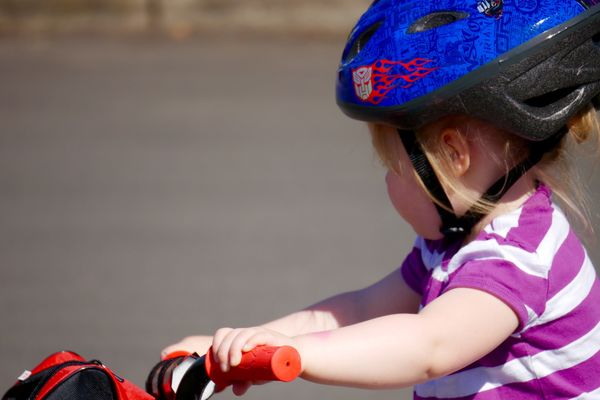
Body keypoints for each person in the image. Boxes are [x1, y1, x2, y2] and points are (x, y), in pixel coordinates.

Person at [163, 0, 600, 397]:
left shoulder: (521, 261)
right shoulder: (452, 246)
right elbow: (359, 310)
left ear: (453, 155)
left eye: (393, 168)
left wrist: (299, 356)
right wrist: (244, 345)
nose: (388, 184)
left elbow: (428, 345)